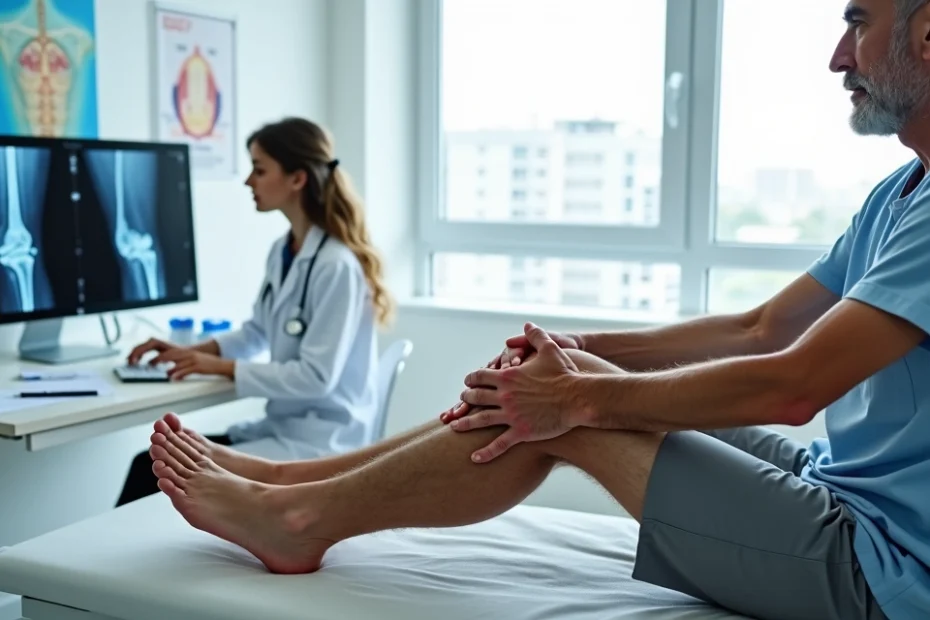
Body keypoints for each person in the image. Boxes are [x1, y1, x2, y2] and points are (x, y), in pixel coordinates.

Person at [144, 1, 930, 618]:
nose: (836, 55)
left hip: (887, 569)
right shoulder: (896, 197)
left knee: (562, 409)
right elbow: (755, 328)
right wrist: (580, 349)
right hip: (840, 485)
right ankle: (291, 481)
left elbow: (792, 389)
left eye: (858, 21)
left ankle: (297, 521)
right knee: (552, 381)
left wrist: (580, 395)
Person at [115, 117, 394, 506]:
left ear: (297, 179)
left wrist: (216, 367)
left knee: (154, 467)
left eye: (259, 170)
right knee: (153, 462)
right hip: (282, 430)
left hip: (319, 444)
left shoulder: (335, 266)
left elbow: (315, 378)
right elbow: (256, 333)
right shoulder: (285, 251)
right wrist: (196, 351)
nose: (249, 181)